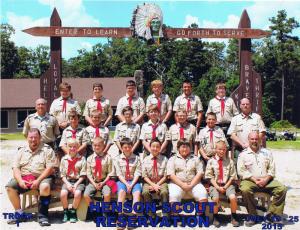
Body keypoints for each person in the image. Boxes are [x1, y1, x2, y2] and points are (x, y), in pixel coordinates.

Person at [6, 128, 58, 226]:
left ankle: (43, 215)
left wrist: (38, 181)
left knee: (45, 187)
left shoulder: (47, 149)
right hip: (24, 178)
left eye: (35, 137)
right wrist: (20, 181)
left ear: (40, 138)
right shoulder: (21, 150)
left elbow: (50, 169)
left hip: (42, 177)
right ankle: (19, 214)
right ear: (27, 138)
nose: (33, 139)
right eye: (31, 137)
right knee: (10, 187)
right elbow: (15, 168)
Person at [237, 132, 287, 227]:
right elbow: (241, 171)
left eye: (256, 139)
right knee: (245, 189)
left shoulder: (267, 153)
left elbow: (272, 169)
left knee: (282, 189)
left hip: (267, 180)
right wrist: (255, 180)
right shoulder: (243, 154)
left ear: (259, 140)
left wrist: (266, 179)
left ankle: (273, 214)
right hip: (250, 180)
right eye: (252, 139)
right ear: (249, 140)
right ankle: (252, 216)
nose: (254, 141)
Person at [167, 139, 207, 215]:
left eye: (187, 147)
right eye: (182, 147)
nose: (185, 149)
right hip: (177, 184)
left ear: (190, 148)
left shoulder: (196, 159)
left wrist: (191, 185)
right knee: (174, 195)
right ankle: (176, 216)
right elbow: (171, 175)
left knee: (203, 194)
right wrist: (182, 185)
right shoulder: (172, 159)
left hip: (194, 184)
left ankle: (199, 214)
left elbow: (200, 173)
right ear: (178, 148)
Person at [205, 141, 239, 227]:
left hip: (227, 184)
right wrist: (217, 187)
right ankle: (216, 217)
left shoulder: (230, 161)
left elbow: (232, 176)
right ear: (216, 149)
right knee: (215, 198)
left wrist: (225, 186)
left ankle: (234, 216)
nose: (222, 151)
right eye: (219, 149)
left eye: (224, 149)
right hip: (215, 184)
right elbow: (210, 177)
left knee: (233, 197)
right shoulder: (211, 161)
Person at [84, 137, 115, 219]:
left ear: (103, 146)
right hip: (93, 182)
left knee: (107, 194)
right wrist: (94, 184)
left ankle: (105, 213)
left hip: (104, 181)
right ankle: (95, 211)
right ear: (92, 146)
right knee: (86, 195)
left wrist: (103, 183)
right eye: (95, 145)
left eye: (99, 145)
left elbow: (110, 173)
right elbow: (88, 173)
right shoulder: (89, 158)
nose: (97, 147)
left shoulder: (108, 158)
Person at [60, 139, 86, 223]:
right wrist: (67, 184)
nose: (72, 148)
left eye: (74, 147)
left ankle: (73, 211)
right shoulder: (64, 159)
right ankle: (66, 211)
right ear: (67, 147)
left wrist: (76, 185)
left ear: (78, 147)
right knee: (63, 193)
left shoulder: (82, 159)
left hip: (79, 181)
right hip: (68, 181)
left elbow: (83, 175)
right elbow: (62, 175)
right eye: (70, 146)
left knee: (77, 193)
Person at [114, 138, 142, 217]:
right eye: (125, 147)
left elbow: (137, 173)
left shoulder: (137, 158)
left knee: (137, 193)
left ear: (132, 147)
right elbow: (119, 174)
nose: (127, 149)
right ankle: (120, 215)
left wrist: (131, 184)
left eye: (129, 147)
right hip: (122, 181)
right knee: (121, 192)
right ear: (121, 148)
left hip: (134, 181)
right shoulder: (117, 159)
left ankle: (133, 215)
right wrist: (127, 184)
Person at [142, 139, 168, 217]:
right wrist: (153, 185)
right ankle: (152, 215)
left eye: (157, 147)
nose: (155, 148)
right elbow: (144, 176)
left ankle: (166, 215)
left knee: (164, 192)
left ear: (160, 148)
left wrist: (157, 184)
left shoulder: (165, 159)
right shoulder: (145, 159)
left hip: (161, 181)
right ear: (150, 147)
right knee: (145, 192)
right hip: (149, 182)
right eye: (153, 146)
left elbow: (166, 175)